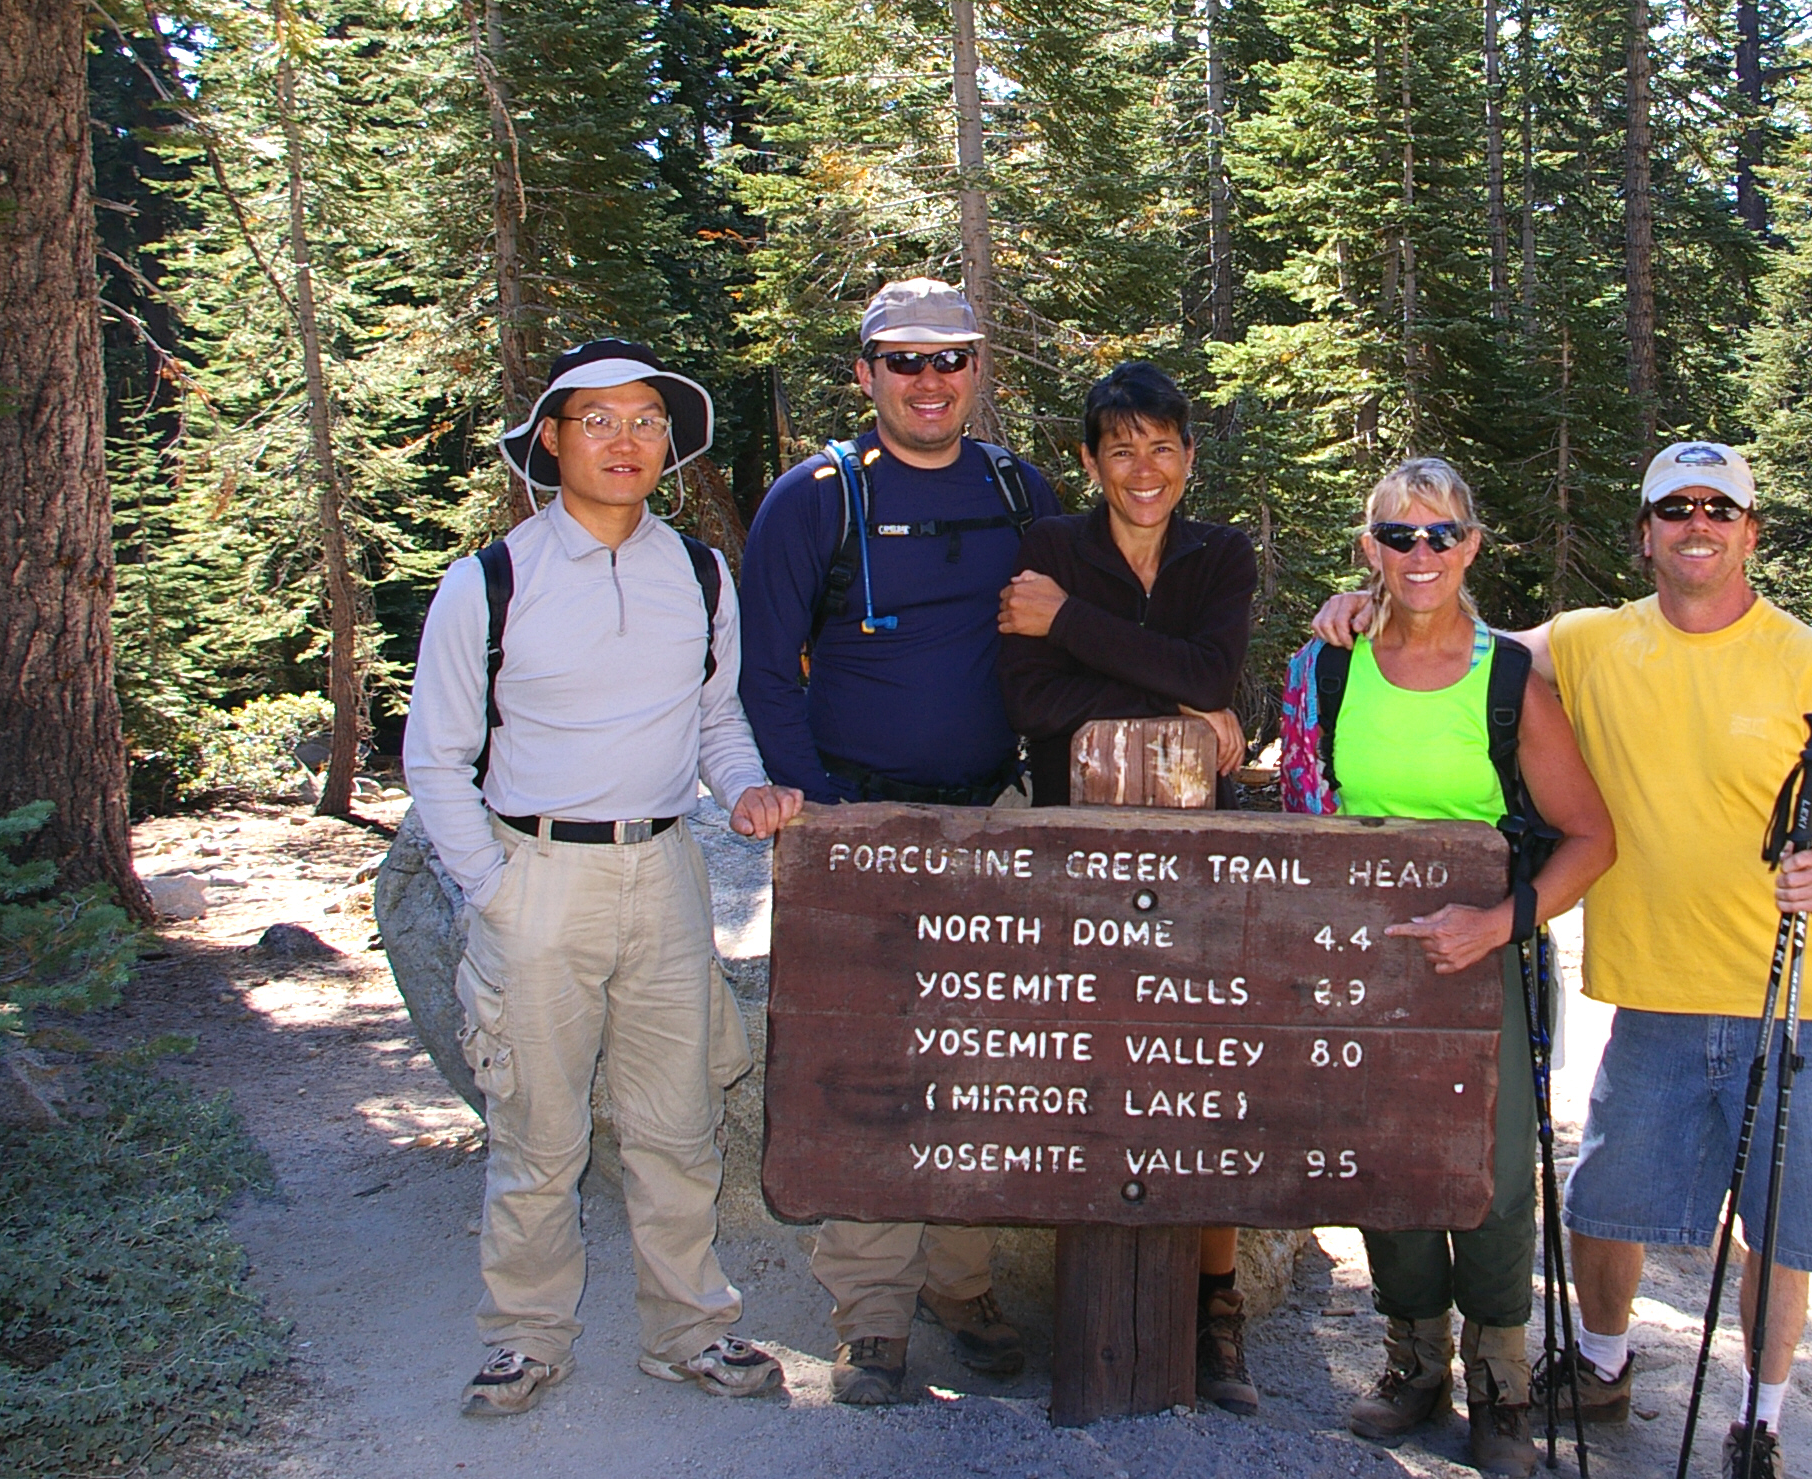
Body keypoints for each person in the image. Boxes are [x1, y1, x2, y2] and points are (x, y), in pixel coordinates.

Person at [1315, 441, 1812, 1478]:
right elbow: (1457, 636)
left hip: (1796, 994)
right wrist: (1359, 602)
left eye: (1716, 509)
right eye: (1673, 508)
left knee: (1777, 1226)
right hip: (1649, 990)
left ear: (1747, 530)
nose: (1695, 524)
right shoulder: (1587, 645)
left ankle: (1757, 1421)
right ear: (1644, 532)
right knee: (1610, 1204)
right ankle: (1596, 1367)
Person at [403, 340, 803, 1418]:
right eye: (598, 421)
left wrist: (747, 792)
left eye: (645, 421)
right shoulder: (487, 581)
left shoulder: (699, 572)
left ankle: (691, 1333)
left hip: (665, 872)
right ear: (550, 438)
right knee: (537, 1130)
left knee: (676, 1125)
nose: (625, 442)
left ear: (669, 442)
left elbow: (717, 722)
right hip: (533, 877)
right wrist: (492, 889)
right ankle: (524, 1339)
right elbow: (435, 757)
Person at [738, 278, 1062, 1404]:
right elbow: (765, 676)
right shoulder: (810, 500)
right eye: (905, 360)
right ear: (865, 371)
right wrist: (824, 819)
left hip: (991, 814)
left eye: (952, 358)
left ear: (979, 368)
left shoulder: (1021, 488)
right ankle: (871, 1314)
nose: (931, 381)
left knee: (985, 1065)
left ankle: (961, 1279)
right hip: (856, 824)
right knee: (865, 1074)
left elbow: (1083, 628)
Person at [1283, 458, 1615, 1475]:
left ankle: (1500, 1385)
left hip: (1488, 964)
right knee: (1387, 1168)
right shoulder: (1325, 665)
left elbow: (1590, 836)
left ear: (1470, 546)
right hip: (1363, 963)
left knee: (1493, 1174)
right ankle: (1412, 1359)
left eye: (1439, 535)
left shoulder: (1508, 675)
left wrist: (1498, 922)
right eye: (1396, 535)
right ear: (1366, 547)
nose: (1417, 554)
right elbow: (1302, 800)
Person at [995, 360, 1262, 1413]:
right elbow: (1031, 706)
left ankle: (1216, 1308)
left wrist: (1067, 623)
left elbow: (1215, 678)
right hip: (1075, 860)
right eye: (1119, 448)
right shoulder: (1047, 550)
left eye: (1161, 446)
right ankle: (1089, 1311)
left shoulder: (1218, 554)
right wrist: (1172, 686)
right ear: (1087, 462)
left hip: (1191, 865)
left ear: (1189, 457)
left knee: (1197, 1080)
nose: (1141, 469)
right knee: (1087, 1078)